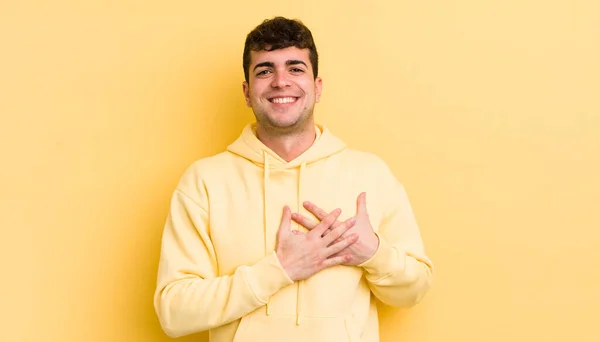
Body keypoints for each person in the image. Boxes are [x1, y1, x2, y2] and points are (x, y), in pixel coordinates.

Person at [154, 16, 434, 342]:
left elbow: (414, 291)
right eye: (264, 70)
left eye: (296, 68)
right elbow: (173, 313)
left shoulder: (370, 175)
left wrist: (373, 252)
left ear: (317, 87)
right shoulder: (204, 182)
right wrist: (279, 269)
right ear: (247, 92)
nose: (280, 81)